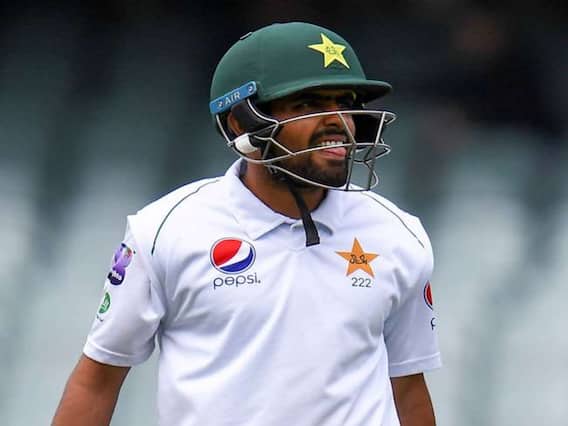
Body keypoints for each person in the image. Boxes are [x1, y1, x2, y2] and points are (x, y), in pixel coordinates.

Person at [53, 22, 441, 426]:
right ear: (241, 122)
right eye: (307, 104)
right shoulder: (164, 231)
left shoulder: (398, 235)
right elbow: (97, 381)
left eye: (344, 103)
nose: (337, 122)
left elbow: (407, 386)